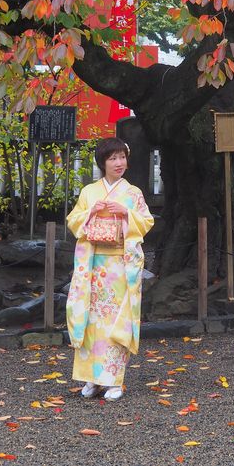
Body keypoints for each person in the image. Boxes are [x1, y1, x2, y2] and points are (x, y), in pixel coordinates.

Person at [66, 137, 154, 401]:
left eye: (122, 157)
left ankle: (114, 381)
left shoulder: (133, 193)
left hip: (119, 267)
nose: (119, 163)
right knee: (91, 323)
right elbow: (74, 220)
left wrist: (125, 212)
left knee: (116, 324)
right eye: (113, 158)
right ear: (102, 162)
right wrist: (93, 210)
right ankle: (92, 379)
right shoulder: (89, 192)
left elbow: (147, 221)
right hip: (93, 267)